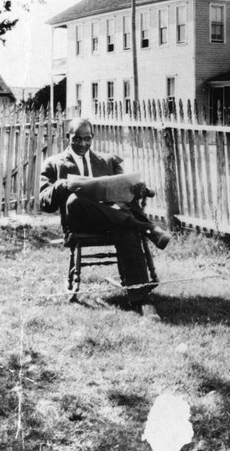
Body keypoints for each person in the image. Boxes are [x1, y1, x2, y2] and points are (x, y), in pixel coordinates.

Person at [39, 118, 171, 320]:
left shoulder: (108, 161)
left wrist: (138, 190)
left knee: (125, 229)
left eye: (87, 139)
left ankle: (142, 299)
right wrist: (61, 185)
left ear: (93, 137)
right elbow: (44, 203)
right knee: (75, 201)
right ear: (68, 137)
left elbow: (126, 192)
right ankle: (146, 228)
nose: (83, 144)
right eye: (77, 139)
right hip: (79, 221)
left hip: (112, 219)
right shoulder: (54, 163)